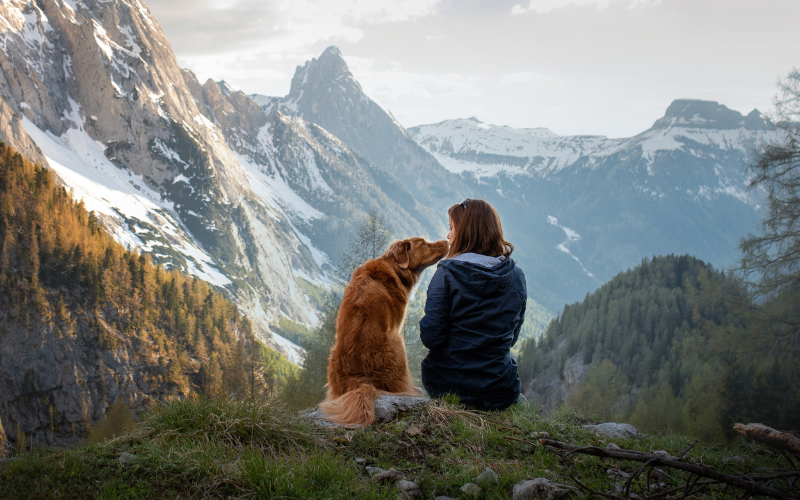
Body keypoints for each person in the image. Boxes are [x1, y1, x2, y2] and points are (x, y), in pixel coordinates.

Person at [419, 198, 527, 410]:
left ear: (467, 231)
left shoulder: (447, 274)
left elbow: (431, 337)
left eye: (451, 228)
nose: (448, 235)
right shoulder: (516, 276)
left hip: (448, 387)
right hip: (501, 390)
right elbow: (511, 338)